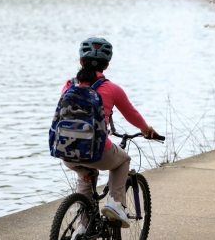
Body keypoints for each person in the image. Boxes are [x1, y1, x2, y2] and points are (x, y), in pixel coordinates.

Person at [62, 37, 158, 234]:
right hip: (98, 151)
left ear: (81, 61)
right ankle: (115, 203)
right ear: (107, 64)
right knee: (123, 160)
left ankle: (83, 226)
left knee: (86, 173)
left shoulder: (68, 85)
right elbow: (131, 114)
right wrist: (145, 128)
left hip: (66, 151)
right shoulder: (112, 89)